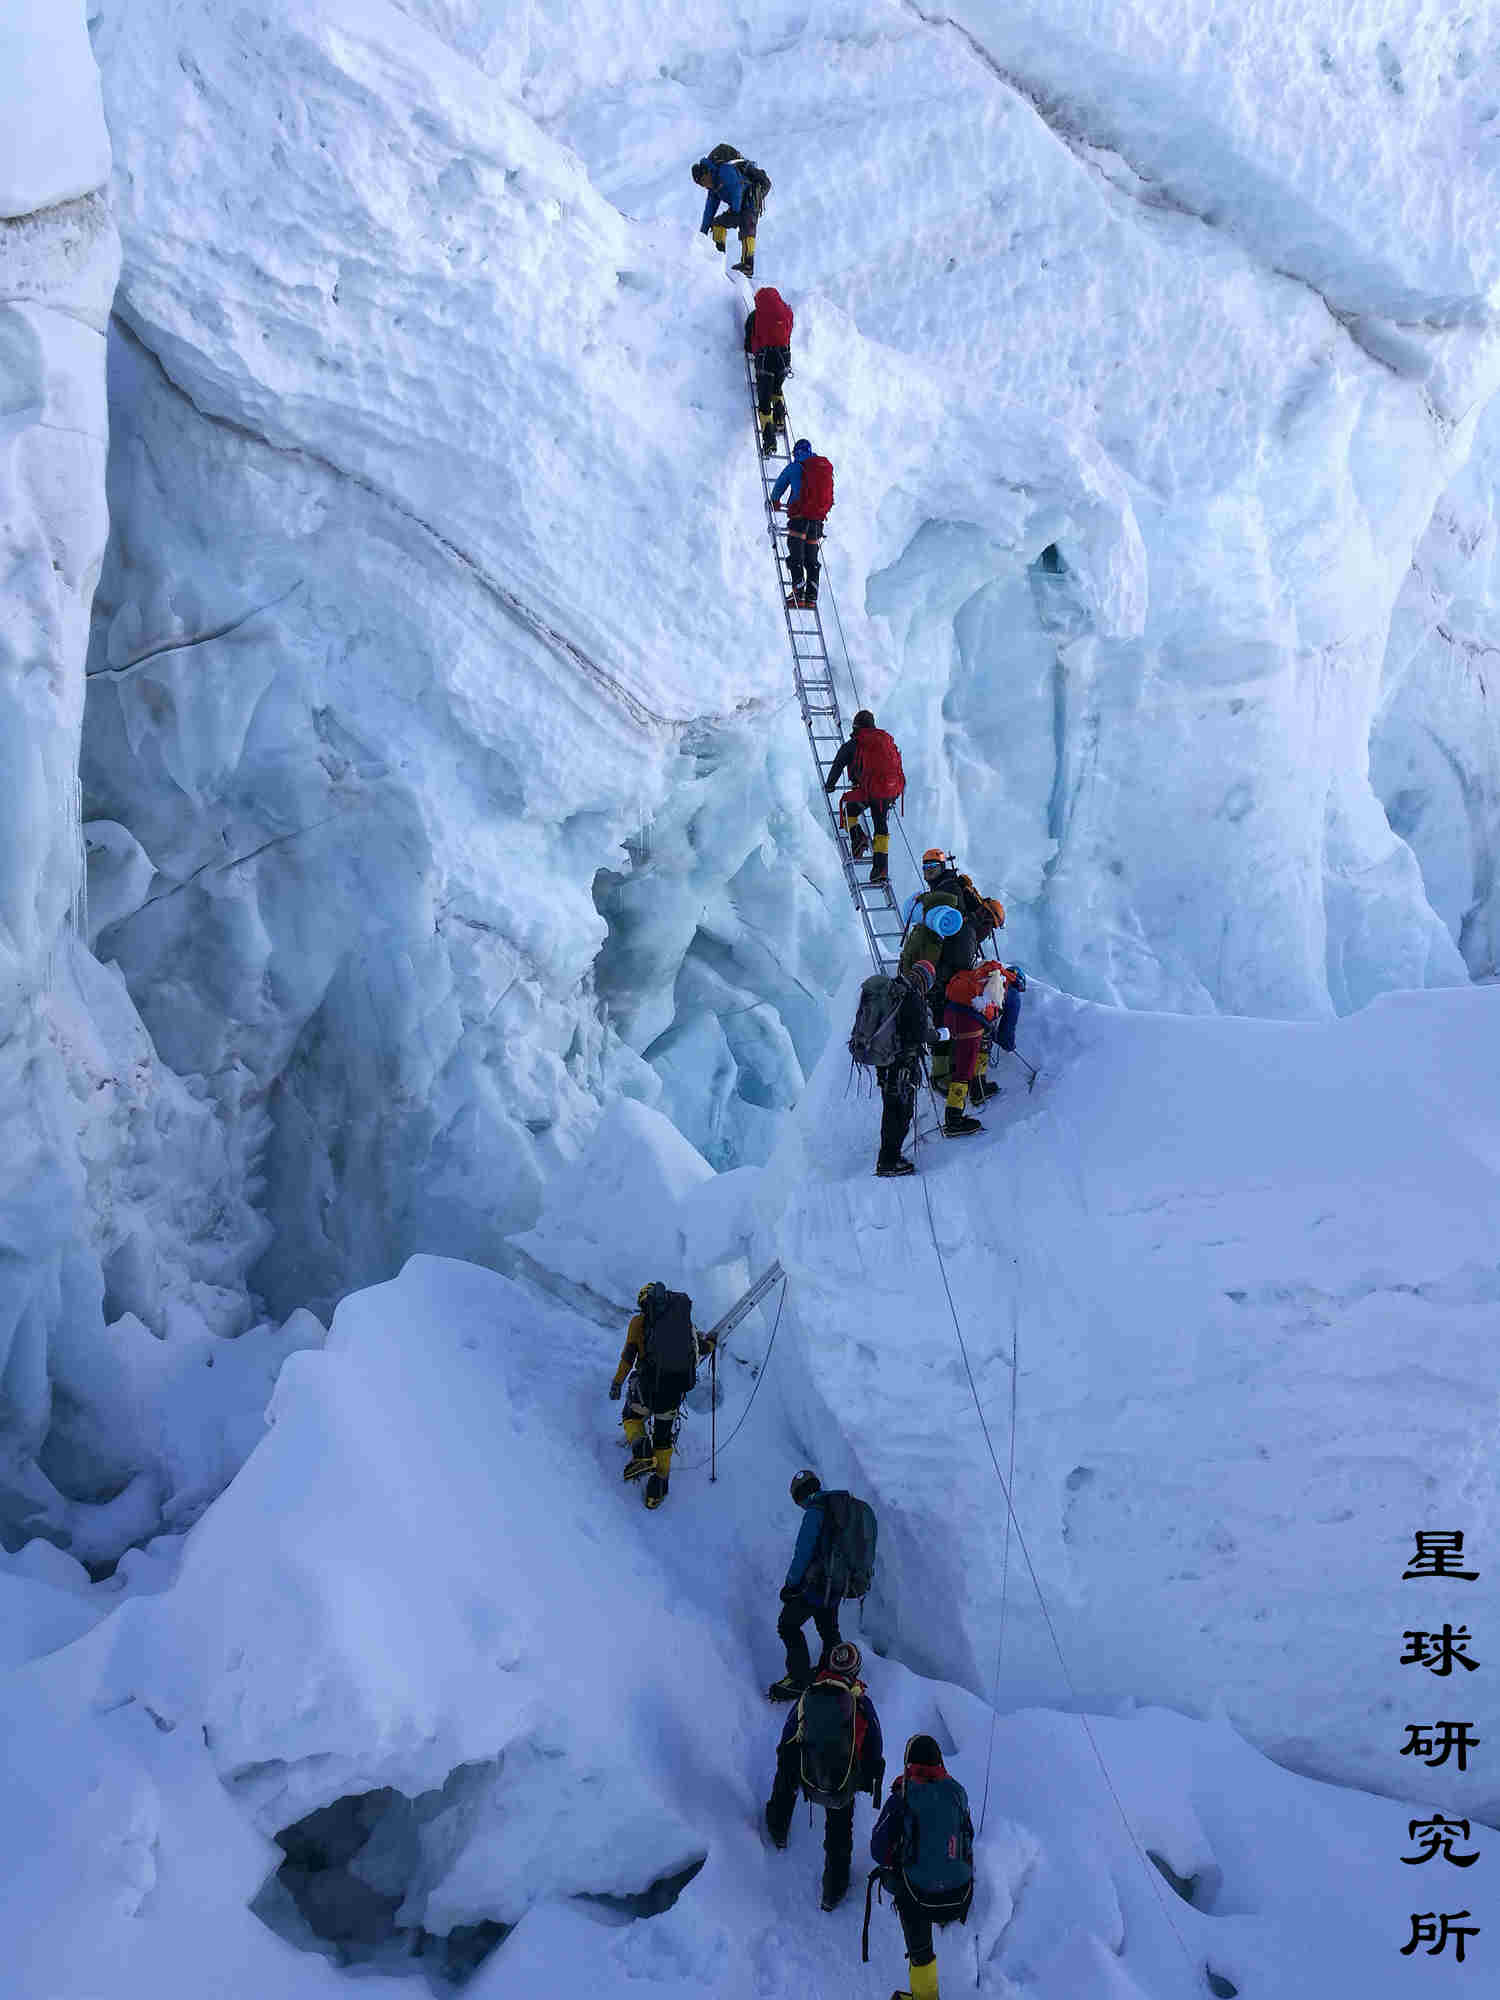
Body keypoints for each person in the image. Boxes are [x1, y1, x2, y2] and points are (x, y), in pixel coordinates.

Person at [765, 1640, 884, 1912]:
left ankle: (777, 1826)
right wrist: (865, 1778)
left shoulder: (810, 1693)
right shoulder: (861, 1702)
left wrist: (787, 1761)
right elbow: (875, 1746)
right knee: (840, 1831)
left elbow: (788, 1733)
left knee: (787, 1773)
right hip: (841, 1778)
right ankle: (833, 1888)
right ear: (855, 1670)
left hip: (807, 1766)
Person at [868, 1734, 974, 2000]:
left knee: (906, 1892)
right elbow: (967, 1837)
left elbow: (878, 1850)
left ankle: (925, 1991)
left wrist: (903, 1857)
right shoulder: (958, 1793)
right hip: (960, 1896)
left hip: (920, 1898)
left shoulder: (902, 1797)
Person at [608, 1281, 715, 1509]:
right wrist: (712, 1343)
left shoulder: (639, 1322)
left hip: (647, 1389)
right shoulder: (683, 1324)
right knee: (663, 1438)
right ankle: (657, 1491)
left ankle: (642, 1451)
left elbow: (628, 1356)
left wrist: (617, 1382)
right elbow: (701, 1348)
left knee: (631, 1417)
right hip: (673, 1392)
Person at [769, 1469, 842, 1699]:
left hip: (818, 1584)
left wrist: (790, 1585)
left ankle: (798, 1680)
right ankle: (835, 1672)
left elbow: (803, 1552)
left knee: (787, 1625)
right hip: (837, 1583)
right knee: (829, 1629)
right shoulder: (837, 1509)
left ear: (800, 1496)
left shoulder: (816, 1511)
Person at [937, 961, 1025, 1135]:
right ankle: (953, 1120)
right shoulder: (1012, 994)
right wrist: (1008, 1044)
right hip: (967, 1021)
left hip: (951, 1014)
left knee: (981, 1042)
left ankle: (978, 1088)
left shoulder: (988, 979)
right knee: (965, 1068)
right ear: (1020, 982)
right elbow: (1006, 1034)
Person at [875, 959, 942, 1177]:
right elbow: (921, 1034)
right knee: (901, 1114)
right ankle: (889, 1162)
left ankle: (887, 1158)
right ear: (925, 981)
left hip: (885, 1063)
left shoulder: (891, 989)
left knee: (890, 1111)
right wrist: (939, 1035)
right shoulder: (912, 998)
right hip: (902, 1066)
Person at [823, 710, 905, 884]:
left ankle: (857, 836)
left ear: (856, 726)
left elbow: (838, 763)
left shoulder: (855, 743)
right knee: (881, 828)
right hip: (891, 792)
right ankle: (880, 869)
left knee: (848, 810)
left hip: (869, 792)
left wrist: (830, 785)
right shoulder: (885, 740)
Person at [770, 439, 834, 609]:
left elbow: (780, 486)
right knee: (811, 559)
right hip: (817, 521)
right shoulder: (820, 468)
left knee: (796, 554)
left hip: (799, 518)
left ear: (796, 452)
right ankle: (811, 597)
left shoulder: (796, 466)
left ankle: (798, 593)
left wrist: (775, 501)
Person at [692, 150, 764, 277]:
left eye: (703, 181)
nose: (704, 185)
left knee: (747, 225)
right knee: (717, 224)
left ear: (707, 173)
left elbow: (737, 188)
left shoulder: (724, 170)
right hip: (737, 206)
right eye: (701, 184)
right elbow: (709, 209)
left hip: (751, 197)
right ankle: (719, 258)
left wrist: (735, 211)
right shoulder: (713, 187)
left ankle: (747, 264)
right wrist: (702, 233)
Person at [744, 286, 793, 456]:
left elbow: (749, 343)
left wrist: (753, 349)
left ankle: (769, 439)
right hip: (784, 357)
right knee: (777, 388)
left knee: (764, 402)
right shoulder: (787, 311)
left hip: (766, 359)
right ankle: (779, 417)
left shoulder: (756, 316)